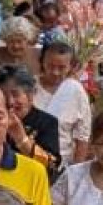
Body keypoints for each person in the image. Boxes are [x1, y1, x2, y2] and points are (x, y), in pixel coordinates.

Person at [0, 62, 62, 173]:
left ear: (30, 95)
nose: (10, 101)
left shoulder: (47, 122)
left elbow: (52, 166)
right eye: (3, 95)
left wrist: (22, 139)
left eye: (15, 94)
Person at [36, 35, 91, 163]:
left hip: (63, 163)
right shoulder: (30, 87)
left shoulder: (76, 90)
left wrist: (76, 172)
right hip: (31, 159)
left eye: (61, 68)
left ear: (70, 66)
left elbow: (83, 136)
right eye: (50, 66)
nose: (55, 72)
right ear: (42, 62)